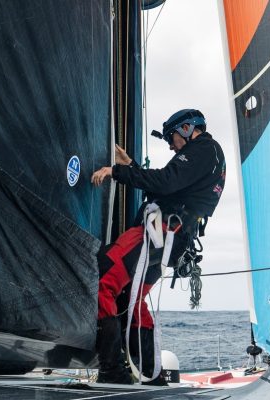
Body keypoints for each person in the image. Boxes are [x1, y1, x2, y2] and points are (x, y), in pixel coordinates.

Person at [90, 109, 226, 385]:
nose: (170, 145)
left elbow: (166, 181)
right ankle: (151, 375)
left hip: (159, 233)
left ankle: (112, 371)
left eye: (171, 138)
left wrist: (117, 171)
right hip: (170, 240)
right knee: (132, 299)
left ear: (187, 129)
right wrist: (132, 165)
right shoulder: (208, 156)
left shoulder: (204, 149)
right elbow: (169, 188)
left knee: (103, 280)